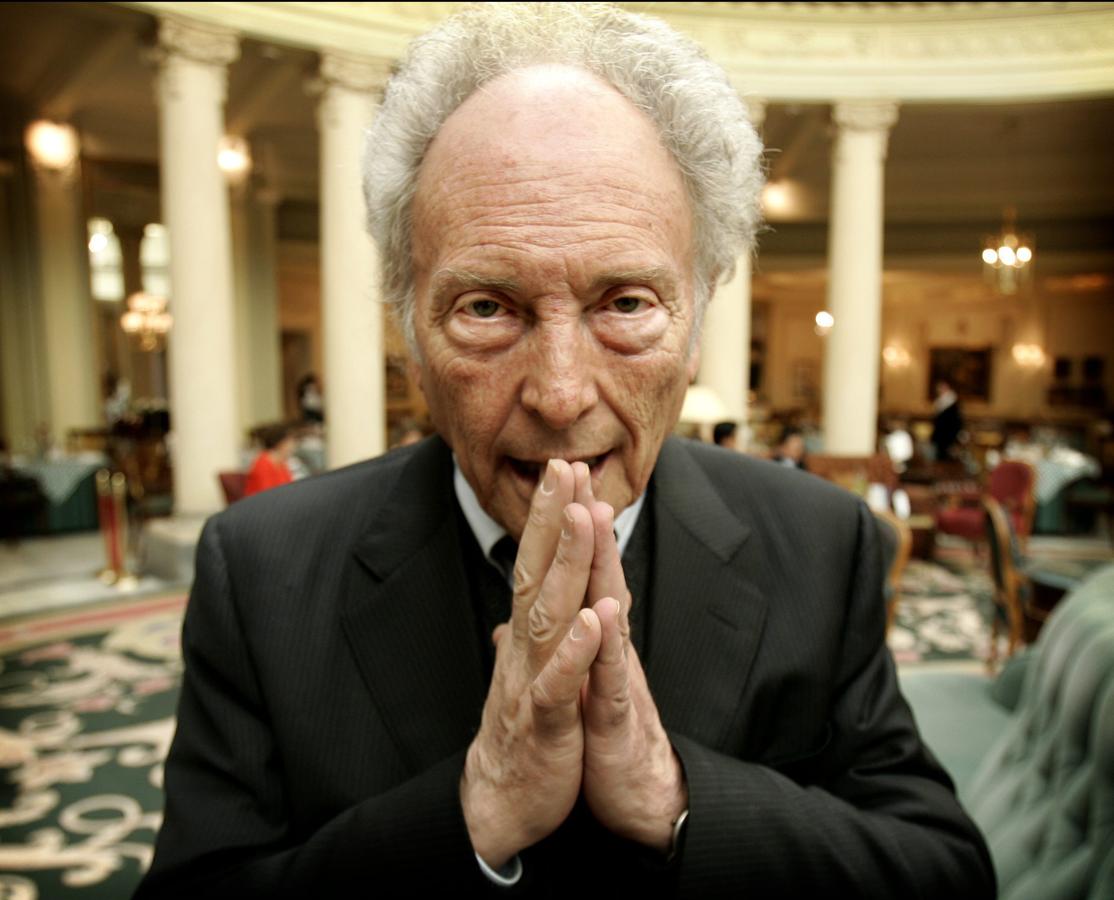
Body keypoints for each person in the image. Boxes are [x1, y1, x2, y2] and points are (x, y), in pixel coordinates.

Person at [137, 5, 994, 898]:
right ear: (411, 337)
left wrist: (677, 798)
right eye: (487, 307)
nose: (560, 393)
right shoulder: (263, 568)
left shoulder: (821, 541)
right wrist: (472, 814)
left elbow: (944, 872)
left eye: (625, 303)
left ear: (698, 324)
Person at [243, 422, 296, 497]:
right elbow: (266, 495)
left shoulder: (282, 463)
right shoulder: (263, 464)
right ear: (281, 443)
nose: (293, 445)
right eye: (291, 441)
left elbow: (291, 488)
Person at [931, 377, 964, 462]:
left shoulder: (953, 402)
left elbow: (957, 422)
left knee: (947, 460)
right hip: (940, 436)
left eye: (941, 387)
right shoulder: (940, 402)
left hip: (949, 437)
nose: (939, 389)